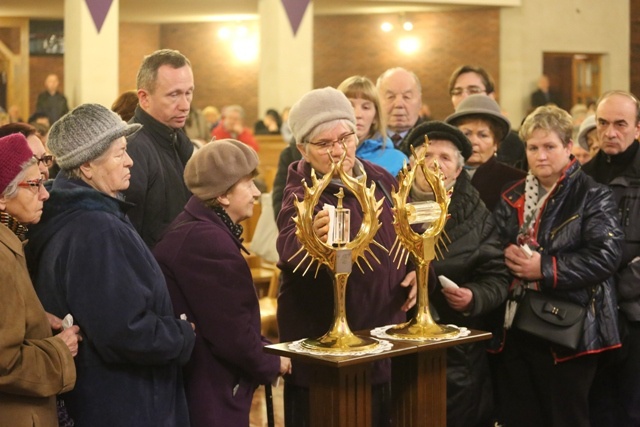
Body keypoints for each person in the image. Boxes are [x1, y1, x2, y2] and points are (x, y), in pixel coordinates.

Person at [25, 104, 196, 427]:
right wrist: (182, 334)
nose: (130, 161)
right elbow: (123, 330)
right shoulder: (97, 230)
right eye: (119, 153)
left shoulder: (77, 218)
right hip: (125, 404)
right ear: (87, 166)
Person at [276, 87, 418, 427]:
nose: (338, 151)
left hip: (382, 343)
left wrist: (416, 268)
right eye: (325, 144)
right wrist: (311, 239)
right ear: (303, 150)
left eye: (346, 138)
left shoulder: (381, 179)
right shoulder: (301, 192)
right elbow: (288, 251)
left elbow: (407, 231)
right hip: (327, 359)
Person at [492, 105, 622, 427]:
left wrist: (545, 267)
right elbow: (490, 247)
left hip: (571, 329)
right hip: (516, 325)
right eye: (533, 148)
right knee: (520, 417)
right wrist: (504, 254)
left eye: (550, 146)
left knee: (565, 418)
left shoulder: (593, 195)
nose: (541, 156)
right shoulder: (512, 195)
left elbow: (606, 256)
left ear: (568, 148)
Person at [153, 139, 291, 426]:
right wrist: (271, 362)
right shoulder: (206, 241)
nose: (256, 193)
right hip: (209, 392)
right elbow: (231, 332)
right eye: (248, 184)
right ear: (223, 195)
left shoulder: (200, 229)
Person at [402, 121, 510, 426]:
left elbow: (497, 277)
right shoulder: (387, 207)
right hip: (395, 351)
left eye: (445, 157)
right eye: (426, 154)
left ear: (459, 171)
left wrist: (474, 296)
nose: (434, 163)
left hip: (455, 358)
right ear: (411, 164)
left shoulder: (476, 215)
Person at [0, 133, 80, 427]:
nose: (45, 194)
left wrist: (33, 317)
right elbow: (4, 364)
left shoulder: (10, 242)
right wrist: (60, 350)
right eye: (34, 185)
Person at [582, 91, 640, 427]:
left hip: (634, 313)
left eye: (620, 124)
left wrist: (613, 284)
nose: (610, 132)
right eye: (603, 123)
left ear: (636, 128)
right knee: (596, 407)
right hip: (591, 315)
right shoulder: (584, 177)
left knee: (632, 409)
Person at [123, 49, 195, 249]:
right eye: (174, 95)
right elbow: (131, 232)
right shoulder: (131, 147)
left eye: (188, 93)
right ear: (144, 98)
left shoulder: (178, 139)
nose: (185, 105)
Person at [445, 94, 526, 211]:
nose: (473, 141)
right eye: (466, 134)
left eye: (483, 135)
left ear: (496, 144)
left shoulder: (516, 181)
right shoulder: (442, 175)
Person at [448, 65, 526, 170]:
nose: (465, 97)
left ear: (491, 96)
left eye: (473, 90)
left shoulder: (515, 145)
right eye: (457, 92)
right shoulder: (444, 142)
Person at [338, 75, 408, 177]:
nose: (358, 115)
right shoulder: (320, 155)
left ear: (375, 116)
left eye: (366, 107)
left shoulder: (398, 161)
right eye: (350, 105)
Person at [376, 67, 424, 148]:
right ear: (376, 101)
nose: (399, 104)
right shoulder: (364, 140)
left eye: (406, 97)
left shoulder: (432, 140)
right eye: (390, 97)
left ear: (420, 102)